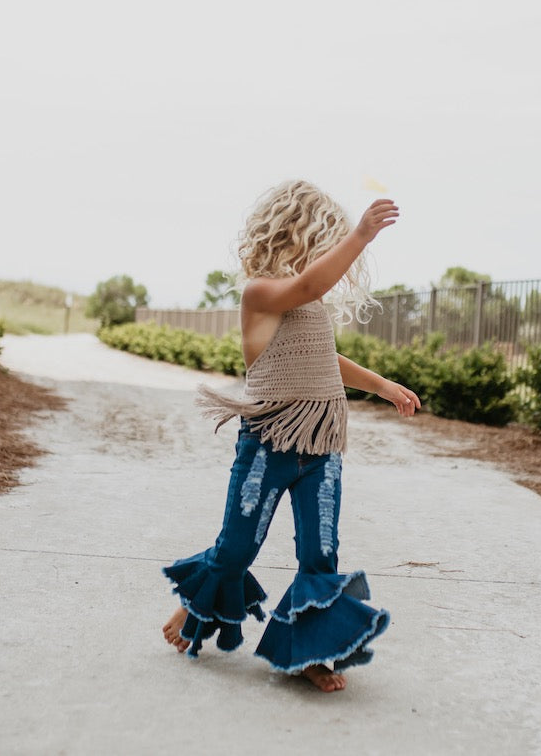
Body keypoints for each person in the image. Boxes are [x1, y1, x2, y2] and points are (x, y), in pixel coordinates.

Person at [161, 179, 421, 693]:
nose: (329, 252)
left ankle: (311, 655)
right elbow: (306, 287)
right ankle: (191, 610)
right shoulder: (261, 293)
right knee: (237, 549)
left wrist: (383, 386)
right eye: (325, 241)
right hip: (267, 446)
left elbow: (326, 358)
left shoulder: (308, 307)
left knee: (321, 554)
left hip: (320, 448)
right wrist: (363, 236)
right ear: (295, 237)